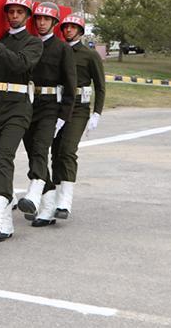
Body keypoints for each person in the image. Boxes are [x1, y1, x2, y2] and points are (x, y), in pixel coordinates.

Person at [0, 0, 44, 243]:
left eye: (19, 12)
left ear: (27, 16)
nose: (14, 16)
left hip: (17, 106)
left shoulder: (33, 43)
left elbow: (21, 65)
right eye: (11, 12)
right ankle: (4, 225)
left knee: (5, 156)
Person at [38, 13, 106, 225]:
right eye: (65, 27)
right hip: (58, 105)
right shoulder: (58, 49)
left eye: (73, 27)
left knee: (67, 150)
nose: (68, 30)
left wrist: (97, 112)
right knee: (55, 152)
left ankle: (65, 200)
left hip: (79, 108)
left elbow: (100, 85)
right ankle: (54, 200)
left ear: (80, 31)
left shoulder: (89, 54)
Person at [16, 2, 76, 224]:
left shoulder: (63, 49)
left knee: (41, 150)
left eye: (46, 20)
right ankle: (48, 206)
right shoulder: (29, 45)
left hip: (51, 106)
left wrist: (63, 116)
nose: (41, 23)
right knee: (33, 154)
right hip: (28, 104)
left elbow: (71, 85)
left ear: (54, 23)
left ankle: (35, 196)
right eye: (38, 19)